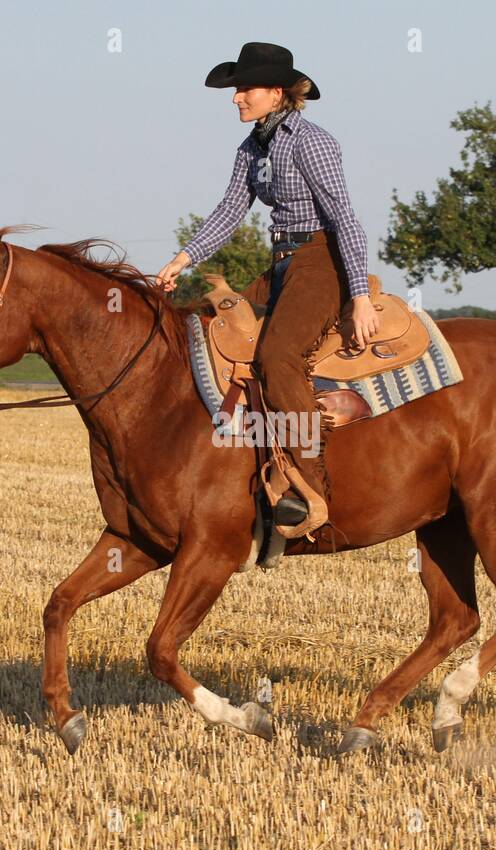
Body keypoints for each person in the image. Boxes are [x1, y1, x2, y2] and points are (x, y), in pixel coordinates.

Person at [156, 41, 378, 539]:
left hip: (320, 261)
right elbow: (230, 210)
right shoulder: (251, 147)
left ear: (276, 93)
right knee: (208, 331)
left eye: (245, 89)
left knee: (278, 357)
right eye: (236, 90)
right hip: (280, 263)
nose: (236, 98)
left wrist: (359, 295)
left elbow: (345, 218)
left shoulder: (311, 141)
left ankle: (310, 487)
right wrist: (183, 258)